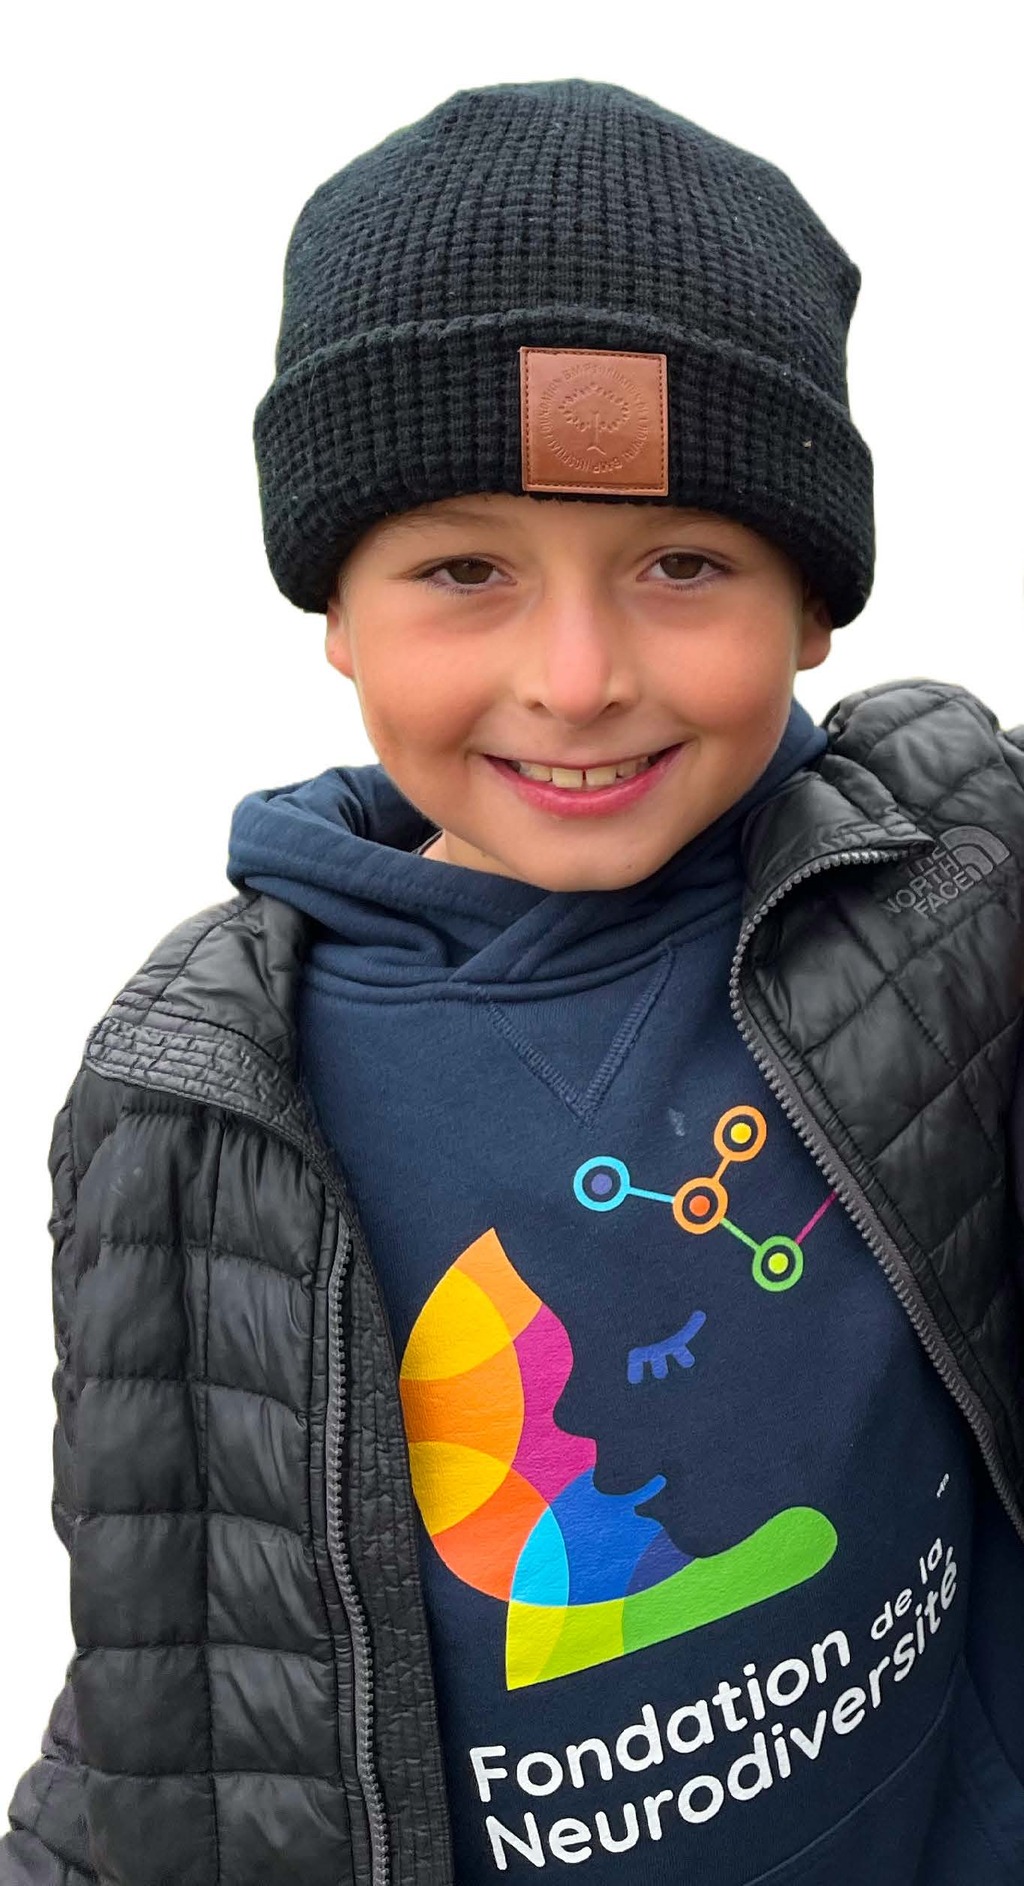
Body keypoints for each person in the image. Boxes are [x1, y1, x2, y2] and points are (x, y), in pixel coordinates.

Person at [3, 76, 1023, 1886]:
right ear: (335, 610)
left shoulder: (939, 875)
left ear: (814, 609)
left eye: (683, 564)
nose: (574, 675)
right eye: (464, 567)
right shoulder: (199, 1099)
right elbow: (175, 1697)